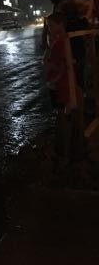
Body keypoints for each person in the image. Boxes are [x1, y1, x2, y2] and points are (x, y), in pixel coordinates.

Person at [45, 12, 84, 165]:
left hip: (62, 85)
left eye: (51, 25)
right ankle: (69, 153)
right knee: (64, 116)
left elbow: (62, 65)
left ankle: (65, 154)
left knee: (64, 117)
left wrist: (53, 76)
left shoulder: (62, 42)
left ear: (61, 25)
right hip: (61, 84)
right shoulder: (58, 41)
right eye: (48, 26)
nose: (49, 29)